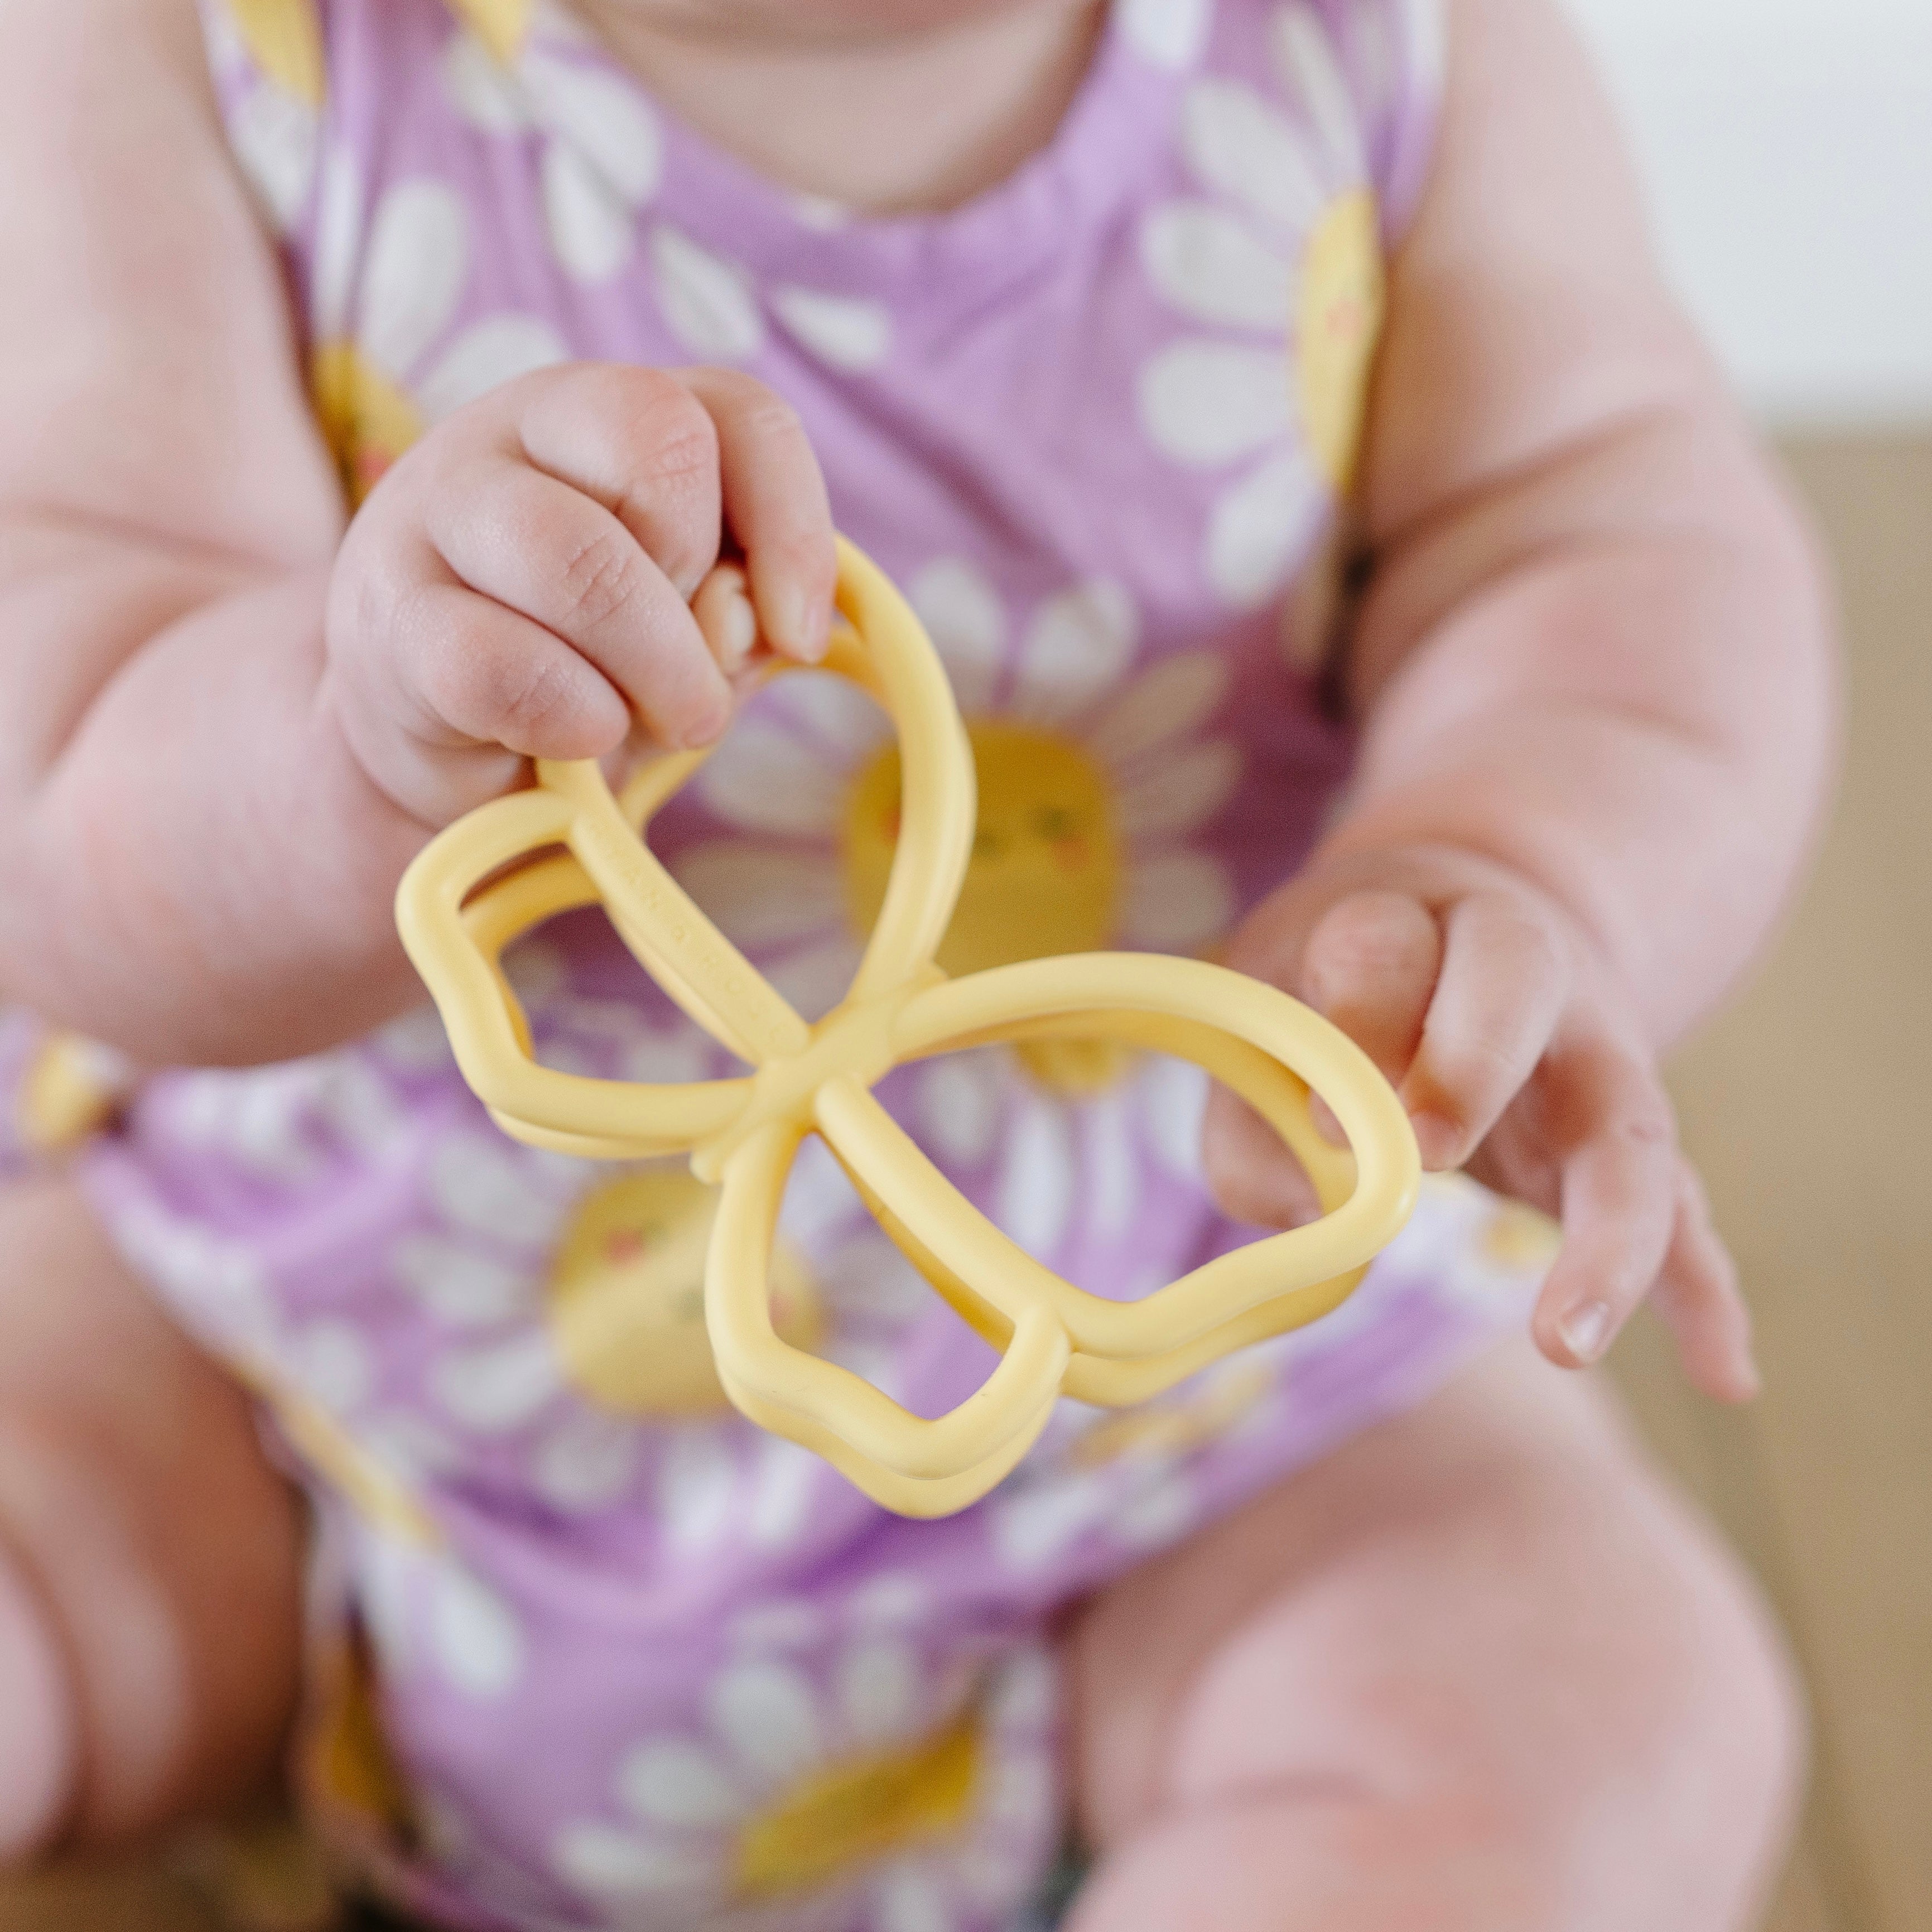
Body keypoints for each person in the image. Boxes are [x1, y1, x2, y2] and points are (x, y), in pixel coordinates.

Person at [0, 0, 1830, 1925]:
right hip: (302, 1326)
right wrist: (352, 733)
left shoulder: (1391, 44)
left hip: (1185, 1364)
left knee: (1601, 1710)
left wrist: (1512, 862)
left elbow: (1598, 531)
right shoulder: (190, 50)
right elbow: (66, 735)